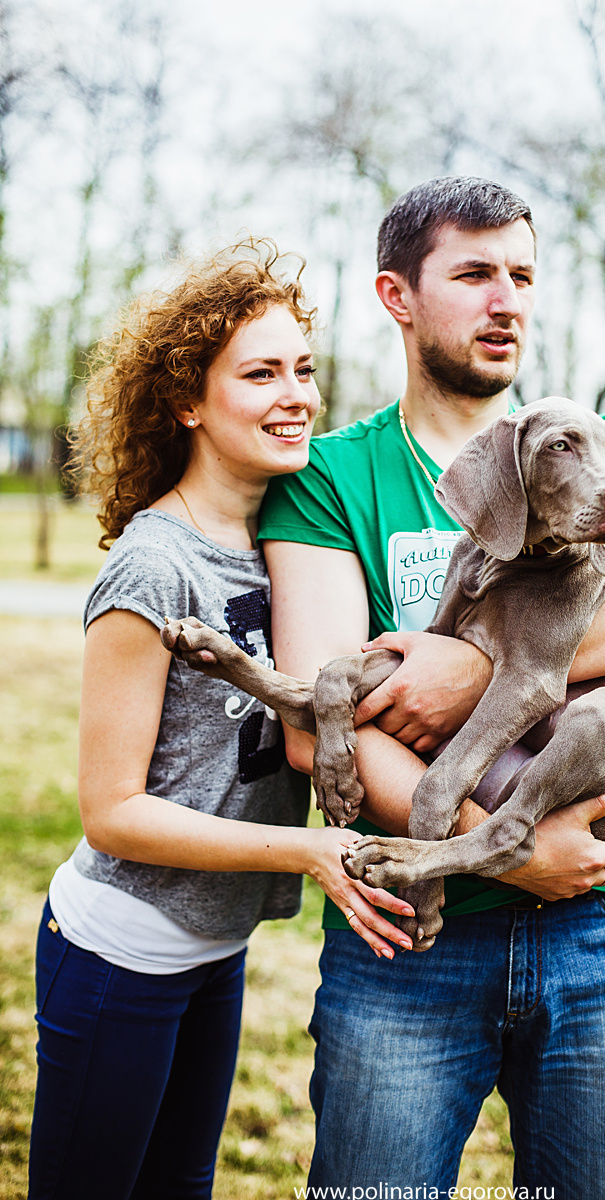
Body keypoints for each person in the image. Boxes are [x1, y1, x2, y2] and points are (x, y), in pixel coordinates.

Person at [258, 180, 605, 1199]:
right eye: (474, 274)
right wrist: (508, 850)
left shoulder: (602, 446)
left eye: (521, 275)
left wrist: (477, 668)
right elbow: (317, 726)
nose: (506, 301)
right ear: (395, 295)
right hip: (409, 942)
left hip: (600, 925)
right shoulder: (331, 477)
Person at [27, 240, 414, 1200]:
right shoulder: (156, 567)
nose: (297, 396)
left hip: (213, 950)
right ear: (187, 402)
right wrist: (307, 854)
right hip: (120, 948)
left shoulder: (294, 543)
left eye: (305, 370)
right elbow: (110, 812)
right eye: (261, 374)